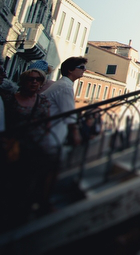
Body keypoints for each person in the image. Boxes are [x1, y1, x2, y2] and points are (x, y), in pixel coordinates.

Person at [0, 62, 55, 222]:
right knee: (12, 181)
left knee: (32, 180)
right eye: (31, 79)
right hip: (15, 145)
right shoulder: (10, 100)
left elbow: (48, 122)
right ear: (24, 81)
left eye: (38, 80)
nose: (34, 82)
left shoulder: (43, 100)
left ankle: (28, 209)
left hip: (36, 146)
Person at [42, 56, 87, 160]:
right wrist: (76, 133)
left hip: (51, 133)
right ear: (70, 70)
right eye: (81, 67)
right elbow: (69, 113)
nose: (84, 70)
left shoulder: (63, 84)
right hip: (51, 136)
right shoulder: (65, 86)